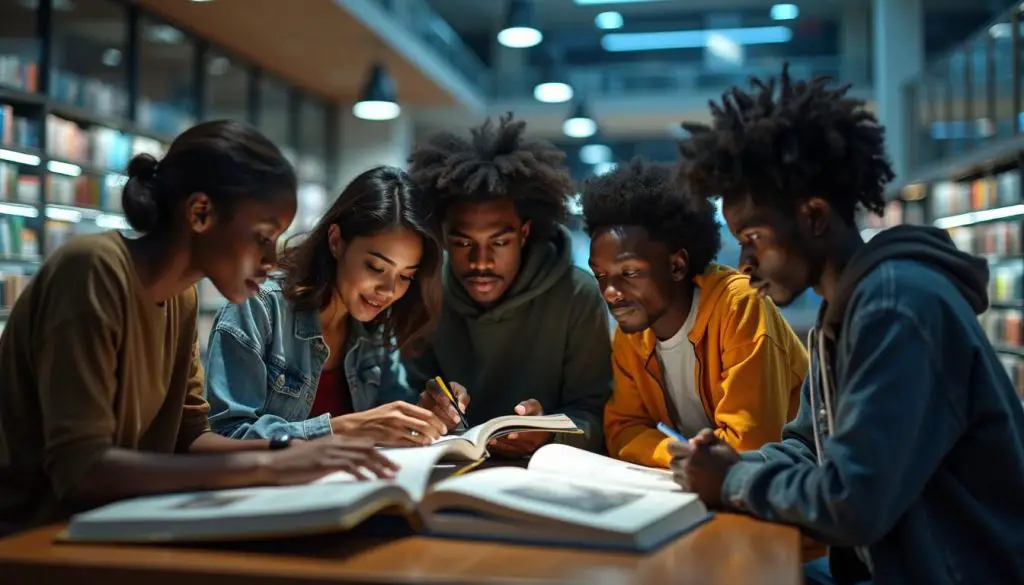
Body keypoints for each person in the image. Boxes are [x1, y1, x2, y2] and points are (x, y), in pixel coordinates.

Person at [670, 64, 1024, 585]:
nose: (744, 264)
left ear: (814, 217)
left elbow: (852, 501)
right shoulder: (847, 307)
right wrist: (727, 463)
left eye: (753, 239)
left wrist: (732, 481)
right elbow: (807, 446)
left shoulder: (893, 309)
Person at [0, 121, 395, 535]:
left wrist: (295, 450)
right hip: (34, 536)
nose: (270, 259)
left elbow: (189, 437)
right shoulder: (92, 269)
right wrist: (269, 465)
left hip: (115, 526)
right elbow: (81, 469)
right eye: (262, 237)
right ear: (200, 213)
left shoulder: (181, 297)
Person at [406, 113, 613, 457]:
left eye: (499, 243)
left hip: (546, 473)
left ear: (524, 233)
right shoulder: (425, 292)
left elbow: (598, 416)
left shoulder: (578, 295)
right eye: (463, 243)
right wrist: (427, 409)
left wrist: (549, 435)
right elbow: (401, 397)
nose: (481, 262)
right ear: (442, 236)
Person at [581, 158, 807, 469]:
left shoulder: (739, 305)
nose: (610, 292)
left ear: (677, 265)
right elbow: (622, 432)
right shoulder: (630, 334)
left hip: (782, 481)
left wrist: (674, 454)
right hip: (698, 481)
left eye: (630, 273)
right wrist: (681, 455)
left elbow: (748, 445)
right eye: (600, 275)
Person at [204, 165, 449, 446]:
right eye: (375, 267)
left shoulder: (376, 327)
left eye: (405, 276)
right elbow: (227, 435)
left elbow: (392, 412)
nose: (389, 291)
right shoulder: (259, 308)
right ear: (336, 241)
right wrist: (340, 428)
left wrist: (426, 414)